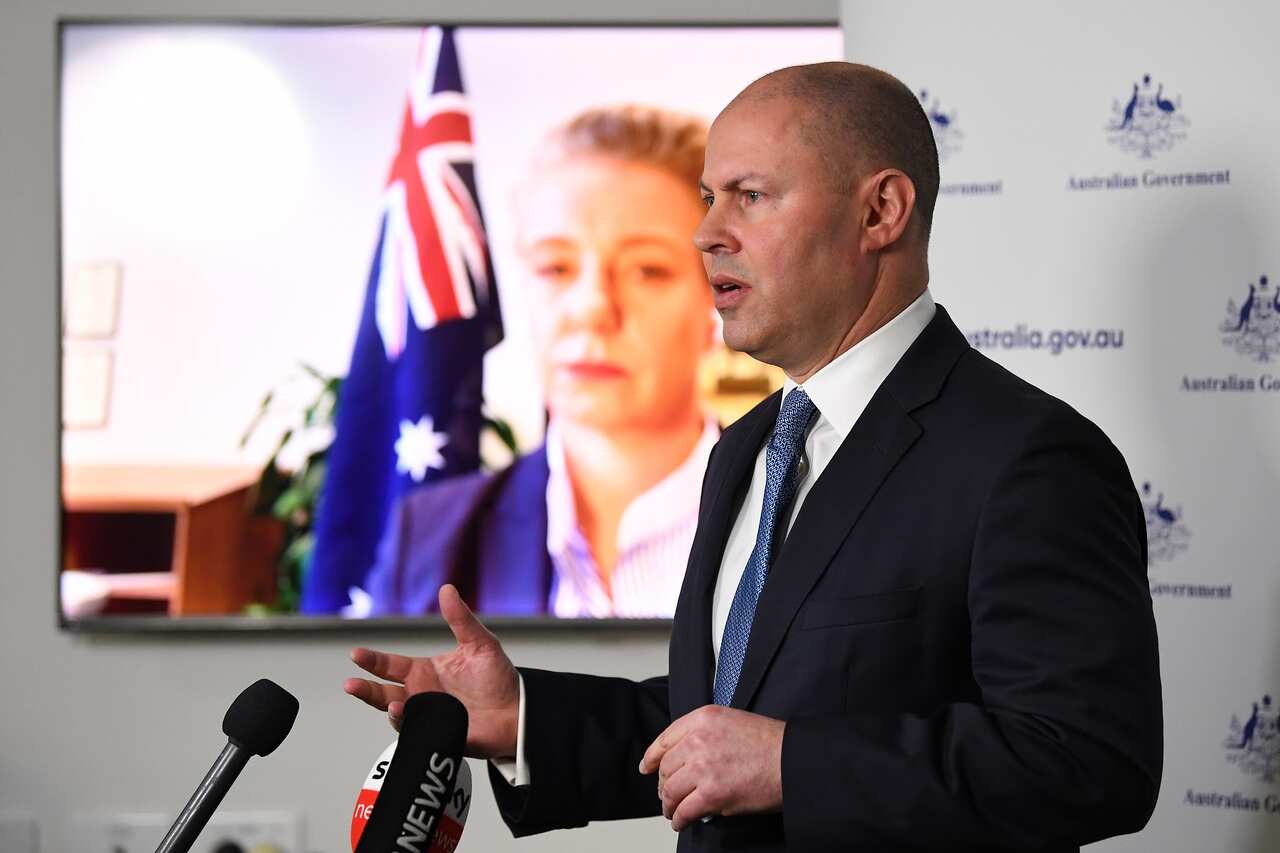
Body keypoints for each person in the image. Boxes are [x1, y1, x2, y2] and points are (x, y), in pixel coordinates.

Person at [345, 62, 1163, 852]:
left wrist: (790, 764)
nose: (706, 233)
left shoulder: (1028, 458)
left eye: (750, 197)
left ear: (880, 212)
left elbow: (1090, 759)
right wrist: (524, 716)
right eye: (708, 198)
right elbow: (730, 716)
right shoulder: (748, 447)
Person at [365, 105, 719, 617]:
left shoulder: (811, 522)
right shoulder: (428, 539)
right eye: (555, 267)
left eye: (648, 270)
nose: (592, 308)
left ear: (721, 297)